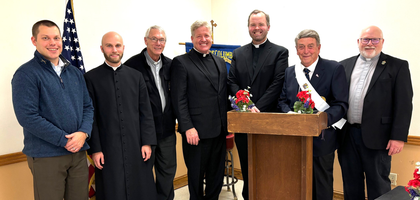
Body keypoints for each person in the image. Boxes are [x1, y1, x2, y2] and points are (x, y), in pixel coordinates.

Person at [11, 20, 94, 200]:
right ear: (34, 41)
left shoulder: (74, 73)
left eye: (56, 38)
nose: (53, 43)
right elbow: (27, 117)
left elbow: (88, 106)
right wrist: (63, 140)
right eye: (46, 38)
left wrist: (83, 133)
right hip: (46, 155)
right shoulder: (26, 74)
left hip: (78, 152)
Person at [338, 26, 413, 200]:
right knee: (350, 183)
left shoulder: (397, 66)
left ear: (382, 42)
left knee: (378, 185)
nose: (370, 43)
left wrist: (398, 136)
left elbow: (404, 104)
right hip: (347, 136)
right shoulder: (344, 65)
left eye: (374, 39)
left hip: (380, 138)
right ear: (358, 42)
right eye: (365, 39)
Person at [84, 31, 157, 200]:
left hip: (136, 145)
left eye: (117, 46)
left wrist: (147, 142)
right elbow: (90, 116)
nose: (114, 50)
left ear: (123, 48)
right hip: (108, 149)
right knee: (113, 190)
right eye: (109, 46)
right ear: (102, 49)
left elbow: (146, 112)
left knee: (141, 190)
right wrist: (96, 149)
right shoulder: (91, 78)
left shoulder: (136, 76)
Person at [277, 29, 348, 200]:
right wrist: (290, 114)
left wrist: (320, 120)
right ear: (296, 50)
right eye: (301, 47)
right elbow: (282, 101)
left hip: (322, 139)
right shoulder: (290, 72)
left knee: (321, 185)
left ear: (319, 48)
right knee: (295, 182)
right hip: (295, 138)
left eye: (310, 46)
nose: (306, 51)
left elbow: (341, 104)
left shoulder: (334, 68)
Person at [227, 9, 289, 200]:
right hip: (244, 120)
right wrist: (246, 106)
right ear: (248, 27)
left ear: (268, 27)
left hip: (268, 120)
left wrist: (257, 107)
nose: (257, 28)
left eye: (260, 24)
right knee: (246, 165)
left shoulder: (280, 52)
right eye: (253, 25)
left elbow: (278, 83)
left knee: (268, 165)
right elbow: (232, 81)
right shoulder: (238, 53)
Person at [171, 20, 228, 200]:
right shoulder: (181, 62)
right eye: (199, 36)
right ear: (192, 38)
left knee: (216, 174)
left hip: (219, 130)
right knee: (196, 175)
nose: (203, 39)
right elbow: (178, 98)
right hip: (196, 132)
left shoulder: (220, 62)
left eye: (207, 35)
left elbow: (223, 94)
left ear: (211, 37)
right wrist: (187, 127)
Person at [124, 25, 177, 200]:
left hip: (168, 132)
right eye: (154, 39)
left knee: (167, 174)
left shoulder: (171, 65)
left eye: (161, 39)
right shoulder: (132, 66)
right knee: (144, 176)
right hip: (143, 135)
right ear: (145, 40)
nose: (158, 43)